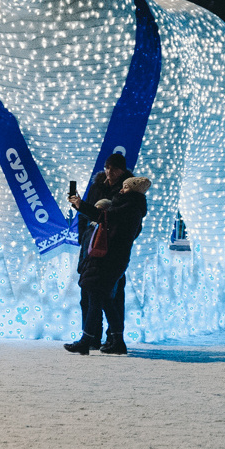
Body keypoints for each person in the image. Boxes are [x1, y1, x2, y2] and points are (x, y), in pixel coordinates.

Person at [67, 175, 151, 355]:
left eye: (126, 187)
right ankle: (117, 342)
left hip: (110, 259)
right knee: (104, 300)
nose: (122, 189)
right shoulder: (128, 205)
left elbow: (106, 216)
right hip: (111, 258)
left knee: (97, 298)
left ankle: (87, 340)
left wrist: (82, 205)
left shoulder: (129, 207)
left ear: (133, 190)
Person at [67, 152, 131, 346]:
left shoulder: (127, 192)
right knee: (89, 293)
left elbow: (126, 223)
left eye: (113, 168)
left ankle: (113, 338)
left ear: (122, 170)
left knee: (111, 296)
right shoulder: (97, 187)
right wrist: (84, 236)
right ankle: (93, 336)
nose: (109, 171)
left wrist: (117, 239)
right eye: (106, 167)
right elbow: (85, 216)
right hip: (91, 246)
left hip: (112, 251)